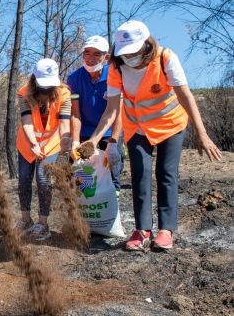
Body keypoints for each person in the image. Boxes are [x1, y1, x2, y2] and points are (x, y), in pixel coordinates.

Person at [88, 20, 222, 251]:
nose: (129, 56)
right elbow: (111, 109)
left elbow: (185, 96)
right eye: (124, 52)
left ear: (146, 44)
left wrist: (202, 133)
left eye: (133, 51)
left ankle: (165, 230)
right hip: (137, 126)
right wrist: (93, 138)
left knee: (166, 173)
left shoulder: (165, 58)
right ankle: (141, 230)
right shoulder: (116, 67)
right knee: (141, 172)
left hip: (170, 124)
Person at [15, 58, 72, 241]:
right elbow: (27, 122)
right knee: (24, 179)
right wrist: (33, 143)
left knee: (43, 178)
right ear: (35, 80)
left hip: (51, 143)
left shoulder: (64, 94)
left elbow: (64, 123)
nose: (46, 89)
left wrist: (66, 141)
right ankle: (25, 220)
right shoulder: (23, 93)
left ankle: (42, 223)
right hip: (27, 142)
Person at [67, 35, 123, 191]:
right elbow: (75, 113)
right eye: (87, 52)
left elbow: (118, 113)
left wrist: (114, 142)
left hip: (109, 131)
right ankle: (87, 208)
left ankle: (113, 204)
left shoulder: (114, 76)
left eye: (97, 54)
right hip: (85, 130)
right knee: (81, 173)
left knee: (112, 170)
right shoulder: (74, 78)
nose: (91, 58)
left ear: (106, 57)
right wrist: (75, 141)